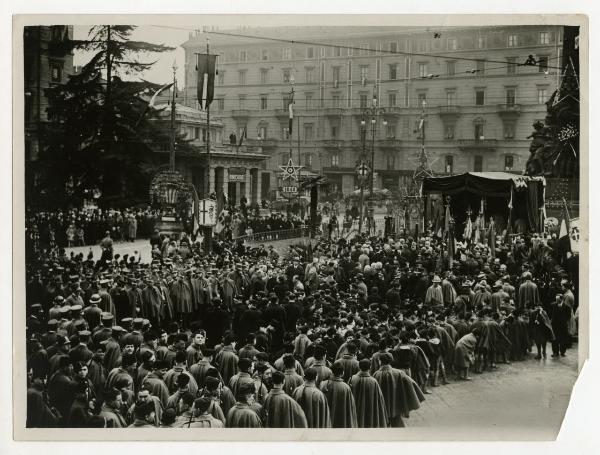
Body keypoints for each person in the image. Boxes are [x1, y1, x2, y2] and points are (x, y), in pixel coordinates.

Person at [373, 353, 425, 427]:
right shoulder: (398, 372)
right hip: (395, 404)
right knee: (398, 424)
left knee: (383, 424)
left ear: (380, 361)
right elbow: (411, 382)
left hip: (382, 405)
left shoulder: (376, 374)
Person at [349, 359, 388, 428]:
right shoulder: (373, 381)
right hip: (370, 411)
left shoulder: (352, 379)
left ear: (359, 367)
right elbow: (379, 400)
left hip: (355, 410)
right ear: (370, 367)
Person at [319, 362, 357, 428]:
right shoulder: (346, 387)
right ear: (342, 373)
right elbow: (351, 408)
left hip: (326, 420)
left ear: (332, 371)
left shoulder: (323, 384)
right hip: (341, 420)